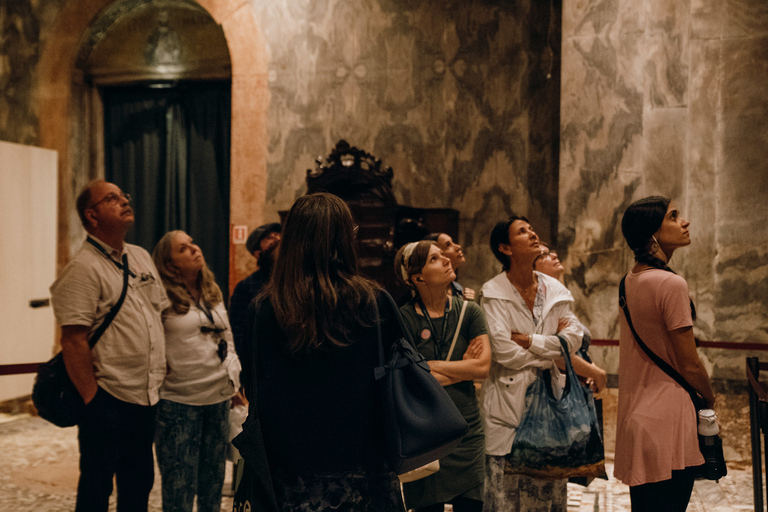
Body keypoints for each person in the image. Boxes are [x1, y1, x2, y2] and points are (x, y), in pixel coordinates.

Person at [244, 192, 406, 511]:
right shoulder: (375, 302)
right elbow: (402, 377)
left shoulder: (264, 309)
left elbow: (255, 387)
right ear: (345, 239)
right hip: (365, 464)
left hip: (291, 470)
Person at [49, 180, 169, 512]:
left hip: (145, 396)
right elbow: (73, 341)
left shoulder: (141, 256)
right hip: (108, 397)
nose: (124, 201)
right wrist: (93, 400)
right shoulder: (83, 269)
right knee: (96, 487)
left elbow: (157, 313)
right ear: (92, 215)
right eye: (112, 198)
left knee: (138, 483)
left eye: (123, 196)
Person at [615, 196, 717, 511]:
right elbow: (689, 363)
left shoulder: (628, 281)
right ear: (652, 234)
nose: (684, 221)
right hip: (668, 420)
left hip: (637, 418)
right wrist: (710, 399)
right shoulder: (671, 284)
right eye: (673, 216)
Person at [479, 215, 583, 512]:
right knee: (505, 499)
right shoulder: (493, 292)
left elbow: (574, 339)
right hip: (507, 408)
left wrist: (530, 341)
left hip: (551, 406)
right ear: (506, 248)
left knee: (547, 497)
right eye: (522, 232)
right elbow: (503, 352)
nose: (533, 233)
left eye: (531, 228)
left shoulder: (554, 289)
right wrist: (553, 347)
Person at [394, 240, 491, 512]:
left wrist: (430, 367)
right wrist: (462, 367)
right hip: (425, 438)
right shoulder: (403, 319)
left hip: (467, 431)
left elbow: (482, 367)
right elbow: (407, 380)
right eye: (435, 259)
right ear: (418, 277)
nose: (447, 260)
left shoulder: (469, 311)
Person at [151, 230, 242, 512]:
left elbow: (228, 340)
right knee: (179, 489)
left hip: (217, 399)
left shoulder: (212, 293)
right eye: (183, 248)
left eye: (192, 242)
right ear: (170, 265)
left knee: (212, 486)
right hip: (179, 402)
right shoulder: (159, 297)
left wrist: (235, 386)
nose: (194, 248)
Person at [533, 243, 607, 393]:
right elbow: (554, 353)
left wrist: (589, 370)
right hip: (555, 392)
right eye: (544, 255)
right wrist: (596, 373)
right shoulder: (538, 303)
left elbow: (576, 350)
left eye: (551, 252)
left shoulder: (556, 298)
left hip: (576, 387)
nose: (554, 255)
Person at [229, 222, 281, 359]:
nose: (277, 238)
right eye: (269, 238)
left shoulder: (296, 278)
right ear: (257, 253)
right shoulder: (246, 287)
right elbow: (239, 334)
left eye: (278, 235)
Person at [425, 232, 475, 300]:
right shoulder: (428, 294)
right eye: (447, 245)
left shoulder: (458, 289)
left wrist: (467, 305)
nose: (458, 247)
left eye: (453, 242)